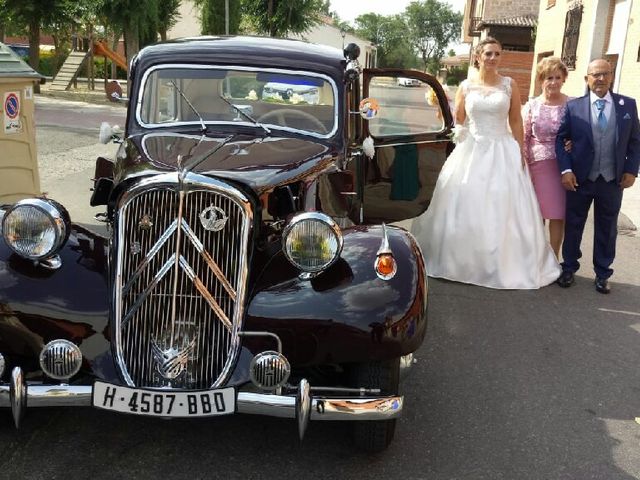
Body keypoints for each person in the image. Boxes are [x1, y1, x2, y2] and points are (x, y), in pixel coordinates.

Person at [411, 37, 560, 289]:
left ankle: (501, 263)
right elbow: (459, 120)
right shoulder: (466, 86)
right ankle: (460, 260)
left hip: (502, 149)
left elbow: (514, 121)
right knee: (463, 201)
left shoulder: (509, 85)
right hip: (471, 149)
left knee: (500, 202)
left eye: (497, 54)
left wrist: (520, 151)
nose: (493, 58)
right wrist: (439, 108)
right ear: (478, 56)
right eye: (488, 53)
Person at [554, 58, 640, 294]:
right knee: (574, 225)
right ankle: (569, 267)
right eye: (595, 74)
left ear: (611, 76)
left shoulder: (628, 106)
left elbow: (635, 141)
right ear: (587, 79)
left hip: (612, 180)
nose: (600, 78)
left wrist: (632, 169)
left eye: (605, 74)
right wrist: (566, 169)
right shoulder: (574, 107)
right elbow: (561, 140)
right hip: (580, 179)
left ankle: (602, 273)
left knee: (607, 227)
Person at [522, 57, 570, 258]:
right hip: (537, 165)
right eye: (549, 77)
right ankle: (536, 257)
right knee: (537, 214)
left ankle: (554, 258)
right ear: (541, 79)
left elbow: (582, 134)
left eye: (558, 77)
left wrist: (574, 143)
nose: (554, 82)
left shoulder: (573, 104)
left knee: (558, 215)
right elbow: (523, 137)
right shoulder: (532, 106)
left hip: (564, 167)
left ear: (563, 79)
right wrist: (523, 166)